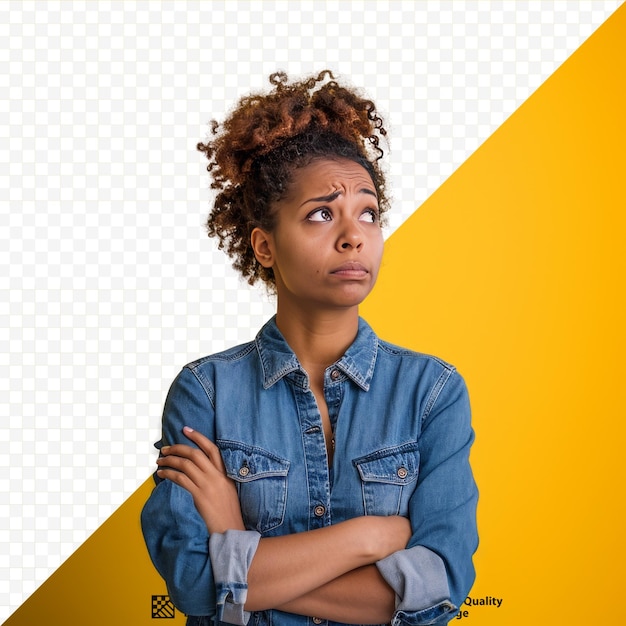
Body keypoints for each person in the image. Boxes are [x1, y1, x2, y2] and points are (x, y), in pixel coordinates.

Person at [141, 70, 478, 626]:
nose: (354, 235)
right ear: (265, 245)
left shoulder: (433, 392)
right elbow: (194, 583)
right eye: (321, 214)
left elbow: (438, 591)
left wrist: (236, 552)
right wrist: (372, 536)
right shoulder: (205, 392)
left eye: (368, 213)